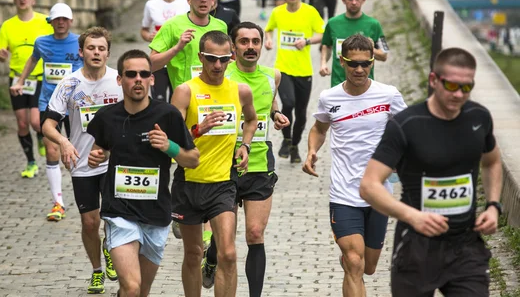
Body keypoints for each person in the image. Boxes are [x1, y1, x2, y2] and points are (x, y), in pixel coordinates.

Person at [360, 47, 502, 297]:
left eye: (466, 87)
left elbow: (491, 162)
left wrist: (493, 206)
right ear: (433, 80)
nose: (459, 94)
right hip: (417, 247)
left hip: (465, 246)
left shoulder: (478, 117)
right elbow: (369, 185)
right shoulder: (406, 125)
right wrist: (413, 216)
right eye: (451, 86)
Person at [87, 49, 200, 297]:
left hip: (155, 214)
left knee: (141, 292)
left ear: (152, 79)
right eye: (131, 74)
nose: (137, 79)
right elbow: (100, 151)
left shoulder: (167, 115)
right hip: (119, 212)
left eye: (144, 74)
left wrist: (168, 145)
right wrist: (97, 157)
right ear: (120, 79)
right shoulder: (107, 117)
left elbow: (193, 159)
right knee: (132, 286)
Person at [303, 34, 407, 297]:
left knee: (368, 267)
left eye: (365, 63)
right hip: (344, 193)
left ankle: (353, 266)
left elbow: (408, 131)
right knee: (354, 262)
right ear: (342, 62)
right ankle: (351, 265)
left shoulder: (388, 95)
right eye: (353, 64)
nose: (359, 69)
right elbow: (318, 128)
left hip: (378, 193)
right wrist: (312, 150)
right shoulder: (329, 97)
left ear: (372, 61)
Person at [202, 22, 290, 295]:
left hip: (260, 164)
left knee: (254, 233)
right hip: (223, 165)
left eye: (255, 41)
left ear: (262, 44)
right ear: (232, 46)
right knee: (223, 238)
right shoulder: (221, 75)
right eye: (244, 41)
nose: (250, 47)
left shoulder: (272, 76)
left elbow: (270, 103)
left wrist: (276, 115)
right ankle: (212, 258)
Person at [171, 30, 258, 297]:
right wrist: (198, 130)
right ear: (200, 57)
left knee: (228, 254)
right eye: (211, 59)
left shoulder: (241, 90)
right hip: (189, 183)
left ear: (231, 58)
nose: (217, 65)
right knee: (193, 253)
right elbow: (170, 141)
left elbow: (252, 120)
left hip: (223, 184)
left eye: (223, 59)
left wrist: (244, 145)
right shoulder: (185, 91)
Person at [41, 27, 123, 294]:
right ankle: (97, 270)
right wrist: (64, 142)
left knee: (115, 218)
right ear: (81, 52)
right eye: (91, 48)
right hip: (83, 163)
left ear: (108, 53)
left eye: (101, 49)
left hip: (115, 162)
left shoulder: (119, 81)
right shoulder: (69, 84)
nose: (96, 53)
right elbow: (48, 125)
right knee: (90, 222)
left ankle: (112, 248)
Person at [10, 3, 83, 221]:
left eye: (65, 19)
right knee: (52, 149)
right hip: (48, 103)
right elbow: (33, 59)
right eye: (57, 19)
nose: (61, 22)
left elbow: (92, 63)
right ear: (50, 22)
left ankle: (85, 197)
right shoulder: (42, 42)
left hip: (75, 103)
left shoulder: (80, 42)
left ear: (71, 21)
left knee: (77, 151)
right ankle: (58, 203)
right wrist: (21, 81)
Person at [264, 0, 325, 163]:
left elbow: (322, 34)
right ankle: (285, 140)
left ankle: (295, 145)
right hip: (282, 69)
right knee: (288, 103)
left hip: (304, 70)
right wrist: (268, 39)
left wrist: (306, 41)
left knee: (301, 113)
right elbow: (269, 29)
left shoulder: (310, 11)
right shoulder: (277, 12)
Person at [0, 0, 52, 178]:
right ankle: (31, 162)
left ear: (33, 0)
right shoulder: (7, 26)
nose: (22, 0)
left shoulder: (44, 21)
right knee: (22, 124)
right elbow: (1, 54)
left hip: (39, 78)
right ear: (14, 1)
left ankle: (39, 137)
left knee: (36, 122)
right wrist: (2, 56)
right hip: (17, 79)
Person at [149, 0, 228, 90]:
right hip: (185, 96)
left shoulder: (221, 26)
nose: (203, 0)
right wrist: (177, 48)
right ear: (189, 0)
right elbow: (150, 65)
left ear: (213, 0)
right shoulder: (172, 25)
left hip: (215, 94)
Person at [320, 0, 389, 87]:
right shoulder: (332, 23)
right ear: (343, 0)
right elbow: (327, 45)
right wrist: (323, 63)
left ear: (363, 0)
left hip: (365, 87)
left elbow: (384, 55)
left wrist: (370, 49)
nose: (354, 2)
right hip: (339, 85)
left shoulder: (374, 24)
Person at [141, 0, 190, 102]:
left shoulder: (186, 4)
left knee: (179, 100)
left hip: (180, 61)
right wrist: (148, 36)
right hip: (159, 60)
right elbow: (144, 30)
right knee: (159, 101)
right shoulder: (151, 4)